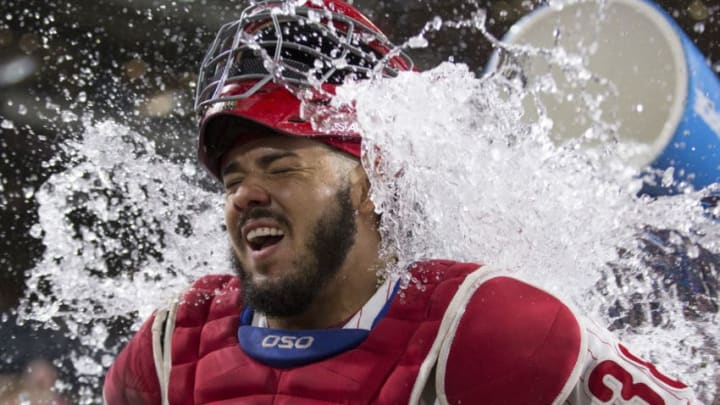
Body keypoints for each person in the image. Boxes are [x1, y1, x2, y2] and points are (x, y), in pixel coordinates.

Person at [103, 1, 700, 403]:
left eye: (280, 167)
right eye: (233, 179)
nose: (247, 196)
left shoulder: (492, 327)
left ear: (371, 180)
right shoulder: (168, 347)